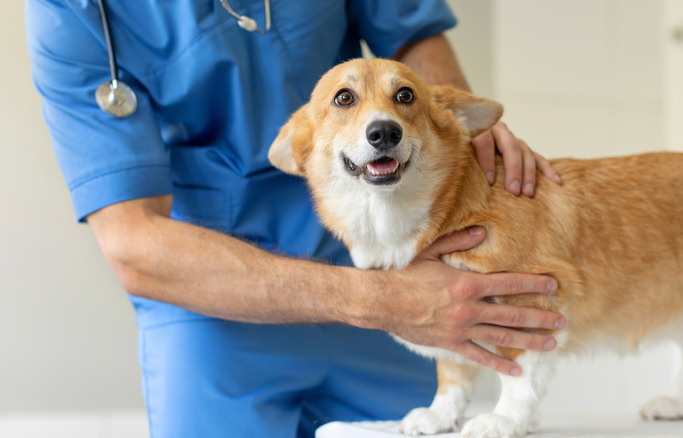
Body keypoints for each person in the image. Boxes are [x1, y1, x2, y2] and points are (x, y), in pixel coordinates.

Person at [26, 0, 565, 436]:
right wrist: (378, 301)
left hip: (400, 265)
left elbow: (410, 31)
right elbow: (133, 242)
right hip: (216, 305)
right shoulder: (71, 12)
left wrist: (456, 127)